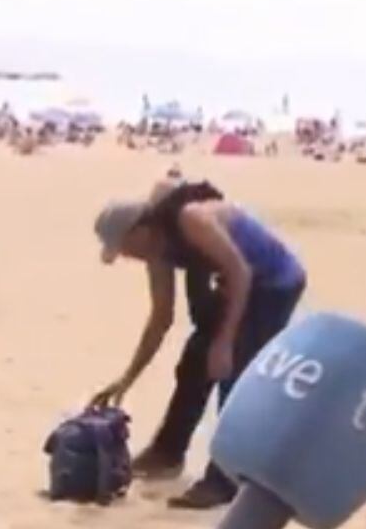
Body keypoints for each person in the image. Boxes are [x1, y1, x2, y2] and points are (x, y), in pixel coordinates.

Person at [89, 177, 307, 509]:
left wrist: (224, 342)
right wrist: (127, 379)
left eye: (125, 248)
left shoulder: (192, 220)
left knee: (234, 372)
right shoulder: (157, 253)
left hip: (275, 281)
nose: (128, 257)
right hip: (235, 284)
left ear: (141, 230)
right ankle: (167, 453)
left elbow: (241, 272)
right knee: (194, 361)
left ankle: (224, 479)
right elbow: (161, 319)